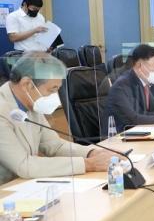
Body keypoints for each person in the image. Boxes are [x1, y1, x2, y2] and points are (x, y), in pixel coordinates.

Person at [0, 52, 115, 185]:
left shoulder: (31, 102)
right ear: (27, 84)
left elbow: (55, 146)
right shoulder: (2, 109)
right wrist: (88, 164)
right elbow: (24, 165)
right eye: (52, 90)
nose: (56, 98)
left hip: (22, 184)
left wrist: (92, 153)